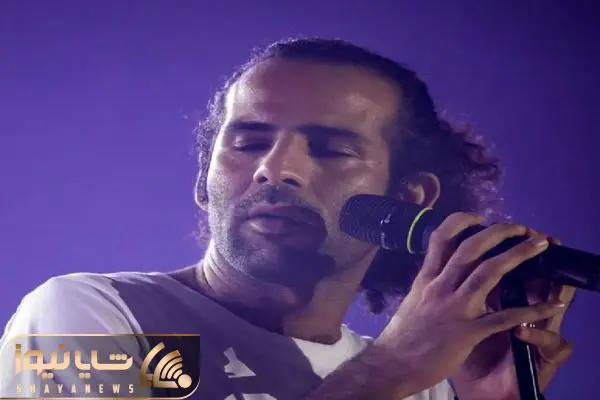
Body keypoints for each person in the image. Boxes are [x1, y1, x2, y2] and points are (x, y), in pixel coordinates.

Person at [0, 37, 575, 400]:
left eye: (330, 149)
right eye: (249, 142)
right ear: (204, 178)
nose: (275, 169)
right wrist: (386, 372)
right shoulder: (84, 316)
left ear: (408, 199)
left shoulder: (424, 387)